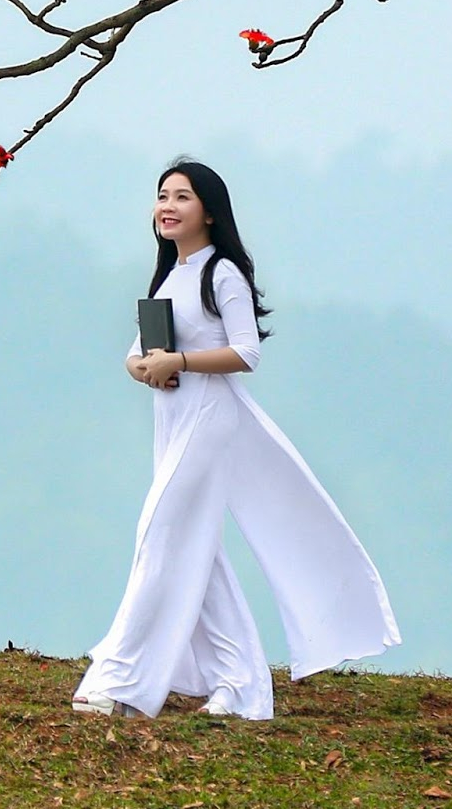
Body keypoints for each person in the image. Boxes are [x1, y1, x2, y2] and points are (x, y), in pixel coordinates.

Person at [72, 159, 400, 720]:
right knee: (198, 547)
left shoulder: (221, 273)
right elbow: (134, 354)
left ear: (209, 210)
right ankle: (238, 684)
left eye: (182, 197)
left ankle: (121, 680)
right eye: (162, 196)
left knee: (158, 533)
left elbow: (246, 353)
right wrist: (149, 366)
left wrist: (181, 361)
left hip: (207, 415)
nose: (167, 206)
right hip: (171, 418)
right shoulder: (170, 276)